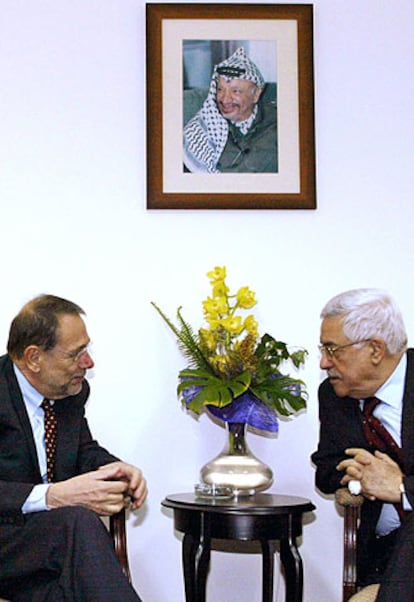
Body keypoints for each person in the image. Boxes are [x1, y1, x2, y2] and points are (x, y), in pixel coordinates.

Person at [0, 294, 147, 601]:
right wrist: (53, 496)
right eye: (75, 354)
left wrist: (114, 469)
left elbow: (82, 450)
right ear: (33, 358)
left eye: (87, 349)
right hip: (7, 541)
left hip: (45, 553)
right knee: (77, 522)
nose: (88, 363)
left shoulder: (70, 391)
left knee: (71, 583)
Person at [311, 288, 414, 601]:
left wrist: (400, 488)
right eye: (322, 348)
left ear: (375, 349)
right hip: (386, 555)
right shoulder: (334, 395)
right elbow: (326, 470)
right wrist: (357, 476)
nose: (323, 362)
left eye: (332, 349)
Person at [183, 46, 277, 173]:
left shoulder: (278, 124)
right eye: (220, 90)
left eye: (236, 91)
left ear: (256, 94)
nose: (225, 99)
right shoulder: (200, 131)